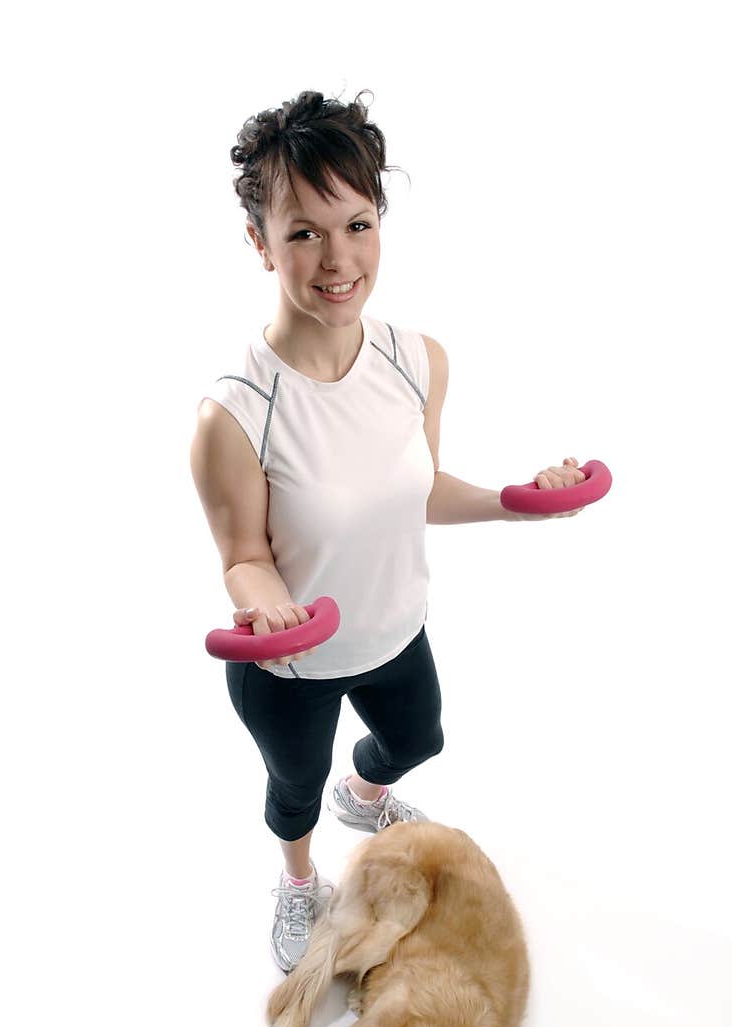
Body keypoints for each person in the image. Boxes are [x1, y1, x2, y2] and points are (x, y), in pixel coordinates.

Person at [190, 89, 584, 973]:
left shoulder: (417, 360)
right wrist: (270, 612)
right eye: (303, 232)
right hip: (289, 665)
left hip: (393, 626)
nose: (339, 259)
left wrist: (517, 497)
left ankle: (363, 794)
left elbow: (421, 486)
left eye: (358, 223)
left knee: (418, 741)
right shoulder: (235, 412)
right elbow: (244, 556)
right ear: (259, 242)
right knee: (291, 792)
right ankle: (298, 883)